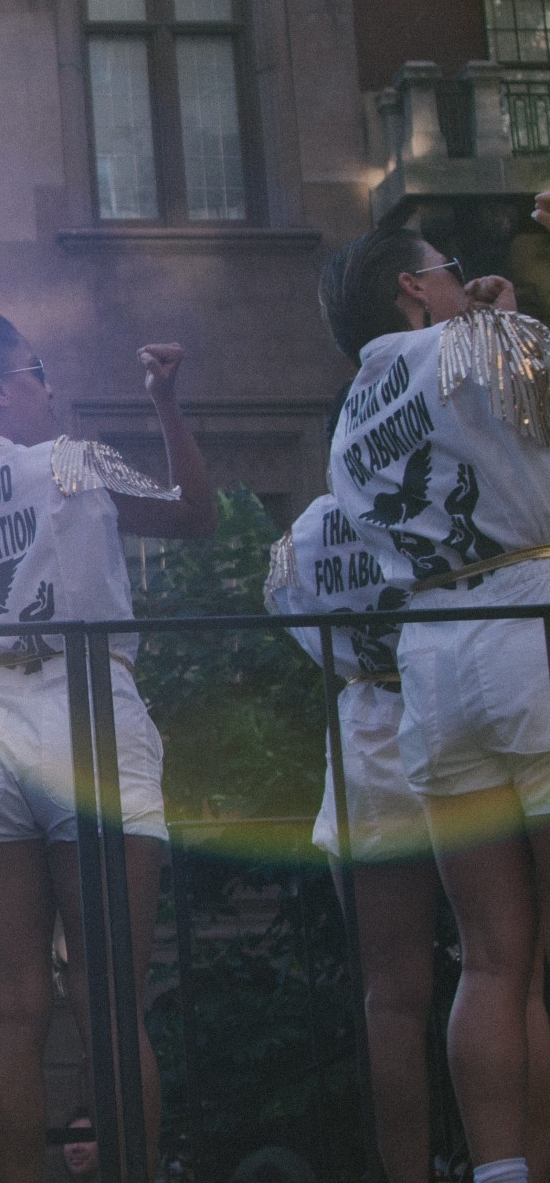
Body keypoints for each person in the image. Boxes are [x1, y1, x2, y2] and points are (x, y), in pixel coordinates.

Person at [0, 305, 216, 1183]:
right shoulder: (64, 465)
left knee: (10, 1011)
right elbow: (192, 513)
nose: (48, 391)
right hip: (87, 713)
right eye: (35, 373)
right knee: (107, 1005)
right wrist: (166, 401)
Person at [319, 216, 550, 1183]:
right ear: (416, 289)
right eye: (448, 271)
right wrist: (513, 318)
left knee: (493, 960)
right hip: (526, 623)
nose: (463, 281)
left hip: (432, 661)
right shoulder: (485, 344)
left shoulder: (353, 411)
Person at [266, 486, 550, 1183]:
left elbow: (292, 615)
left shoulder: (307, 530)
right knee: (515, 977)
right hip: (455, 696)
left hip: (367, 727)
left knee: (389, 997)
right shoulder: (447, 489)